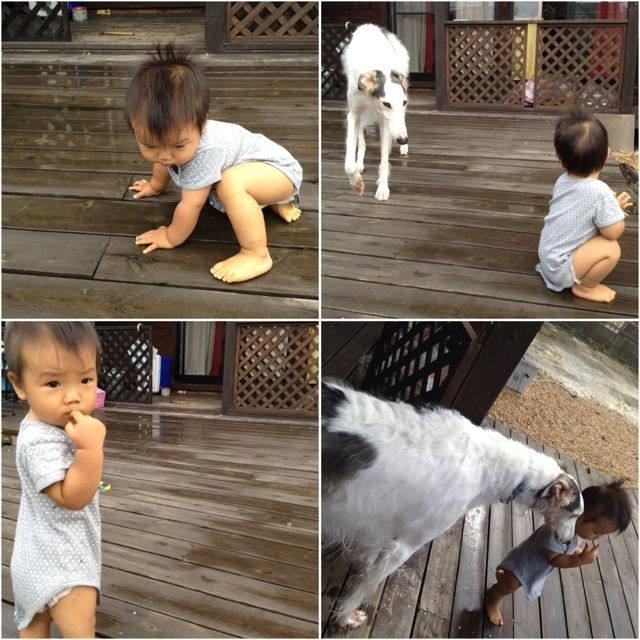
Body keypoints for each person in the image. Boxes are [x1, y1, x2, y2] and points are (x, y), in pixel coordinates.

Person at [125, 43, 303, 283]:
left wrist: (170, 236)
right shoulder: (175, 140)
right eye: (150, 146)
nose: (165, 155)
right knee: (227, 184)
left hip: (278, 171)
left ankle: (256, 254)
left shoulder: (207, 150)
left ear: (202, 124)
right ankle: (272, 203)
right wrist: (155, 186)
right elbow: (163, 163)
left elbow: (191, 205)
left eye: (178, 146)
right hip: (258, 173)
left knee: (229, 184)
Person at [6, 322, 106, 638]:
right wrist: (90, 450)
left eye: (86, 380)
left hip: (33, 558)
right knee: (81, 631)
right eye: (53, 383)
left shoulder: (44, 426)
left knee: (35, 627)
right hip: (64, 563)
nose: (73, 397)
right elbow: (71, 497)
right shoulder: (39, 441)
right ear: (19, 385)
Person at [486, 480, 633, 626]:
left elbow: (566, 548)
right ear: (580, 516)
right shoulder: (557, 533)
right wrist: (580, 560)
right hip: (524, 563)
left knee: (510, 582)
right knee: (510, 585)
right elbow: (554, 559)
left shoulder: (575, 529)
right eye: (597, 531)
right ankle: (493, 598)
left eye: (602, 534)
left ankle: (503, 577)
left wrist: (576, 552)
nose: (597, 537)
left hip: (533, 565)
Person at [536, 108, 633, 303]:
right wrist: (616, 211)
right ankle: (585, 288)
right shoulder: (600, 192)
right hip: (560, 269)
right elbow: (612, 232)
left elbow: (582, 209)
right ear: (606, 154)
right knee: (611, 249)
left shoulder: (562, 180)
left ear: (561, 160)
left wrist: (611, 206)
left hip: (548, 256)